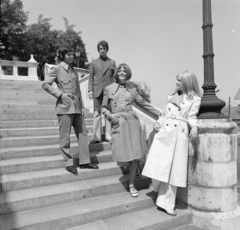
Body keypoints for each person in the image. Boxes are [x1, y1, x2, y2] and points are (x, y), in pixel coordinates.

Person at [142, 70, 201, 216]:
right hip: (164, 133)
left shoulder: (195, 99)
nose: (176, 82)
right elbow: (163, 114)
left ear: (187, 82)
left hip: (179, 134)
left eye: (179, 80)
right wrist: (158, 122)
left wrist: (194, 126)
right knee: (157, 163)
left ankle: (167, 203)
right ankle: (157, 191)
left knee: (174, 171)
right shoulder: (171, 96)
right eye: (176, 80)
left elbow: (192, 116)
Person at [101, 63, 161, 197]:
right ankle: (135, 170)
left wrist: (160, 114)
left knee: (134, 154)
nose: (122, 73)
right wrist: (111, 117)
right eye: (120, 71)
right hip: (118, 122)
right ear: (117, 73)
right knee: (123, 151)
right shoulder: (108, 89)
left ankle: (132, 183)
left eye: (124, 71)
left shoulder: (132, 89)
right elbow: (103, 108)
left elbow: (143, 103)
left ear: (127, 74)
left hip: (132, 122)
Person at [42, 45, 98, 175]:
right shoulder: (56, 69)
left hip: (77, 107)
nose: (71, 57)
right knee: (65, 136)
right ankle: (68, 163)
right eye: (69, 54)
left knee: (83, 133)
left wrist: (83, 107)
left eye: (73, 54)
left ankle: (84, 161)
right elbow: (45, 84)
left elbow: (78, 91)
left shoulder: (73, 71)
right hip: (64, 106)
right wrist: (60, 94)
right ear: (62, 55)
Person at [88, 40, 117, 143]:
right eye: (100, 49)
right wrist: (89, 90)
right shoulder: (94, 62)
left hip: (108, 92)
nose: (102, 51)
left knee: (108, 113)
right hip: (97, 91)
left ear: (107, 49)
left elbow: (115, 78)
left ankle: (109, 136)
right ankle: (96, 137)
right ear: (98, 50)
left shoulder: (112, 62)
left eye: (104, 49)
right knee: (96, 114)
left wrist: (115, 90)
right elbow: (91, 77)